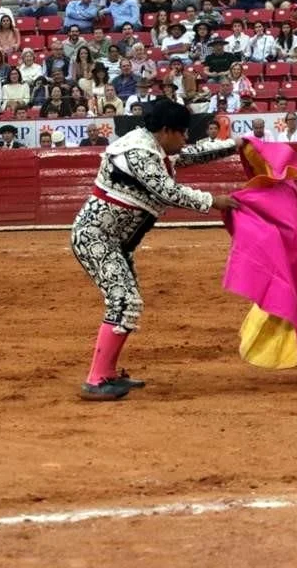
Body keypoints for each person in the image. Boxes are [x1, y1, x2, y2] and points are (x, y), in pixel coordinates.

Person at [70, 100, 241, 401]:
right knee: (124, 302)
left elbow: (188, 154)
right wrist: (213, 200)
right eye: (183, 133)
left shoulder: (154, 147)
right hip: (96, 238)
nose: (186, 139)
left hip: (116, 242)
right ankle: (96, 380)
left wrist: (234, 145)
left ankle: (108, 372)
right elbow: (168, 191)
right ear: (165, 131)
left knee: (127, 303)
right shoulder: (137, 152)